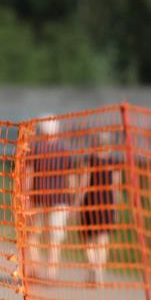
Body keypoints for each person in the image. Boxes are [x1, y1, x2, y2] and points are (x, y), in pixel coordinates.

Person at [25, 116, 79, 281]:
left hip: (43, 198)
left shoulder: (35, 148)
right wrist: (72, 200)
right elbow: (71, 178)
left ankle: (41, 270)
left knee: (36, 236)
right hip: (53, 199)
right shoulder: (64, 150)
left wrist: (26, 195)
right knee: (51, 238)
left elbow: (29, 173)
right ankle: (48, 271)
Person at [78, 132, 118, 285]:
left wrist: (78, 201)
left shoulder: (89, 160)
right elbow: (116, 186)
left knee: (87, 239)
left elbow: (84, 183)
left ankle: (93, 268)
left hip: (91, 203)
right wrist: (115, 206)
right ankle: (98, 272)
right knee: (103, 240)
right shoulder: (113, 162)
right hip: (107, 204)